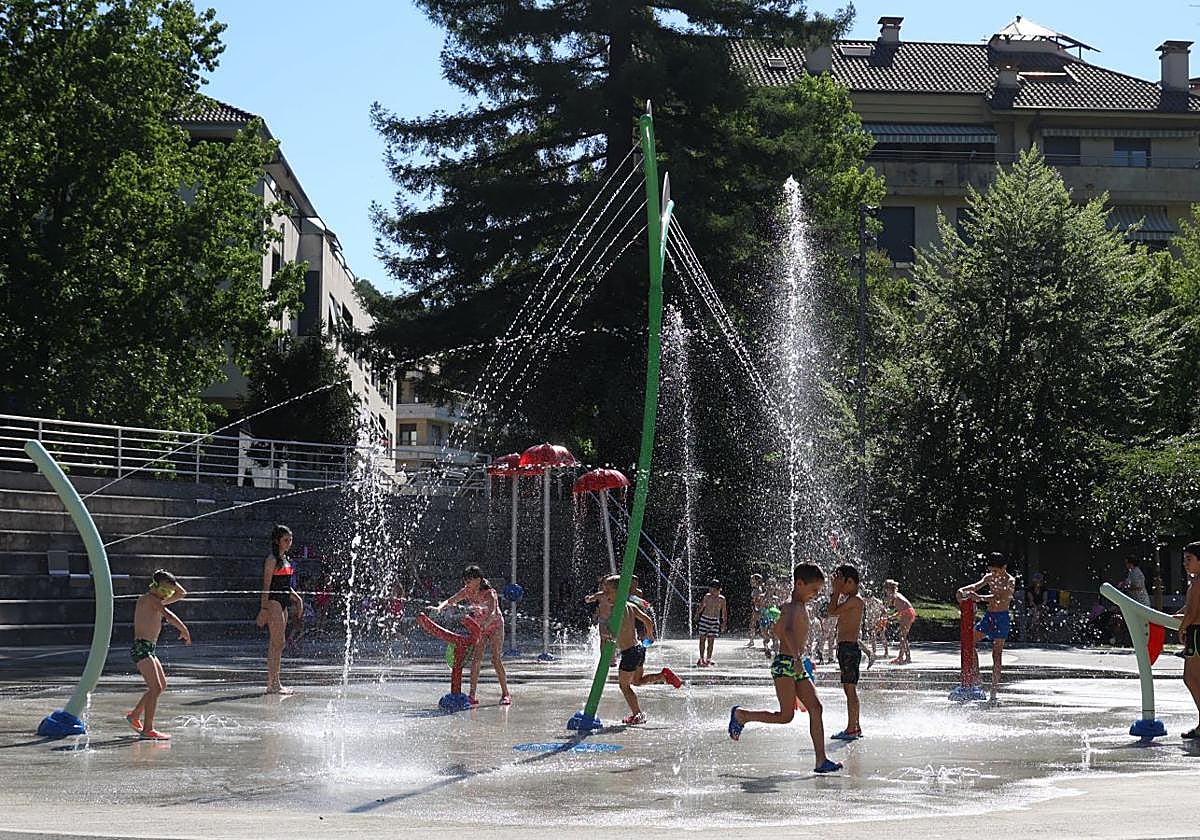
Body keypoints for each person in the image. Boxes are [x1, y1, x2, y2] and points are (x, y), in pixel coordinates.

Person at [727, 563, 842, 774]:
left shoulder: (797, 607)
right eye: (814, 590)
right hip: (786, 665)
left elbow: (779, 630)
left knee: (816, 708)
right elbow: (787, 631)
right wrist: (797, 658)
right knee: (785, 716)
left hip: (796, 664)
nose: (816, 595)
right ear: (799, 584)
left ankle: (821, 760)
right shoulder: (791, 607)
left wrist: (799, 658)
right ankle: (742, 715)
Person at [602, 575, 682, 724]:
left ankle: (637, 714)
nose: (604, 594)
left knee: (624, 686)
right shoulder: (631, 606)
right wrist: (649, 634)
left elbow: (613, 633)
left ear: (619, 592)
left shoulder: (616, 610)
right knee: (637, 681)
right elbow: (648, 620)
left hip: (629, 653)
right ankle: (663, 676)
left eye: (607, 591)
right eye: (603, 591)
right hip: (639, 648)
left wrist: (607, 636)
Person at [126, 570, 190, 740]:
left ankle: (134, 716)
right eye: (163, 591)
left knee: (160, 686)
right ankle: (148, 729)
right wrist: (184, 629)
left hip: (149, 648)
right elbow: (168, 616)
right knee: (154, 687)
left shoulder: (157, 599)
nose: (166, 595)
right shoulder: (149, 599)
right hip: (141, 648)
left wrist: (169, 581)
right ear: (153, 586)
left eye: (168, 592)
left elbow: (182, 593)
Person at [436, 565, 511, 706]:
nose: (466, 583)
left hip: (495, 626)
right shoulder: (467, 591)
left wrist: (485, 625)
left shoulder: (489, 593)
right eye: (465, 580)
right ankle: (472, 695)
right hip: (479, 628)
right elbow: (451, 600)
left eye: (469, 580)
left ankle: (505, 694)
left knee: (495, 659)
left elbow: (493, 612)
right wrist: (439, 608)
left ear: (478, 579)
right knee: (476, 660)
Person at [957, 552, 1016, 703]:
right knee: (969, 643)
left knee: (996, 655)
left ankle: (994, 691)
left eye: (996, 571)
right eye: (991, 571)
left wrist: (980, 598)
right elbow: (975, 586)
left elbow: (1001, 597)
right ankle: (977, 678)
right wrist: (963, 590)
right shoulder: (989, 577)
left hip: (1001, 618)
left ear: (1004, 567)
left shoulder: (1010, 581)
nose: (993, 574)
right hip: (989, 617)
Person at [256, 524, 303, 694]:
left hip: (284, 600)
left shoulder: (285, 559)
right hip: (274, 601)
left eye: (290, 540)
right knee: (278, 642)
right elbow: (267, 585)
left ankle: (274, 682)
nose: (289, 543)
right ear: (277, 541)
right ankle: (273, 683)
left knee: (276, 644)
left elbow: (285, 585)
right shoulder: (272, 560)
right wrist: (263, 608)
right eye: (285, 540)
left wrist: (296, 598)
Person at [828, 564, 866, 740]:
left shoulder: (855, 600)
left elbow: (831, 611)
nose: (839, 586)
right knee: (849, 689)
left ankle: (852, 728)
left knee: (850, 690)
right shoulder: (852, 599)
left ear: (850, 582)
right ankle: (855, 727)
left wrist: (835, 591)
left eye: (841, 582)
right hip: (847, 648)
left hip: (849, 649)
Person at [1175, 542, 1200, 739]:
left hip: (1197, 633)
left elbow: (1192, 613)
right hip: (1196, 631)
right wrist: (1178, 617)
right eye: (1184, 559)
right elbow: (1188, 609)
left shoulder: (1198, 583)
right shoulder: (1197, 581)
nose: (1185, 563)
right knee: (1192, 679)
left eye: (1189, 559)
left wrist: (1182, 627)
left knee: (1192, 679)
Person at [695, 579, 728, 666]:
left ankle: (708, 659)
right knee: (702, 639)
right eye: (710, 589)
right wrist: (697, 614)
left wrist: (724, 623)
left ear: (717, 589)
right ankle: (701, 658)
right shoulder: (707, 597)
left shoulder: (722, 599)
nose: (710, 591)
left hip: (714, 621)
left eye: (712, 589)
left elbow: (724, 612)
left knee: (711, 641)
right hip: (705, 619)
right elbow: (702, 606)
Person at [884, 579, 915, 664]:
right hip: (908, 612)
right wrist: (892, 616)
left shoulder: (893, 596)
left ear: (889, 588)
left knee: (902, 636)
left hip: (907, 613)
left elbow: (901, 609)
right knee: (903, 636)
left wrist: (886, 614)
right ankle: (904, 657)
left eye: (886, 587)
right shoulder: (896, 595)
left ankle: (903, 657)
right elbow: (901, 609)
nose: (885, 590)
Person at [746, 574, 765, 648]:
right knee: (757, 625)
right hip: (757, 608)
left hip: (758, 609)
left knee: (756, 625)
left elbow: (758, 600)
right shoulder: (756, 589)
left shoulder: (758, 590)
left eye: (752, 580)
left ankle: (752, 641)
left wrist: (756, 608)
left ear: (757, 581)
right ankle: (752, 640)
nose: (751, 581)